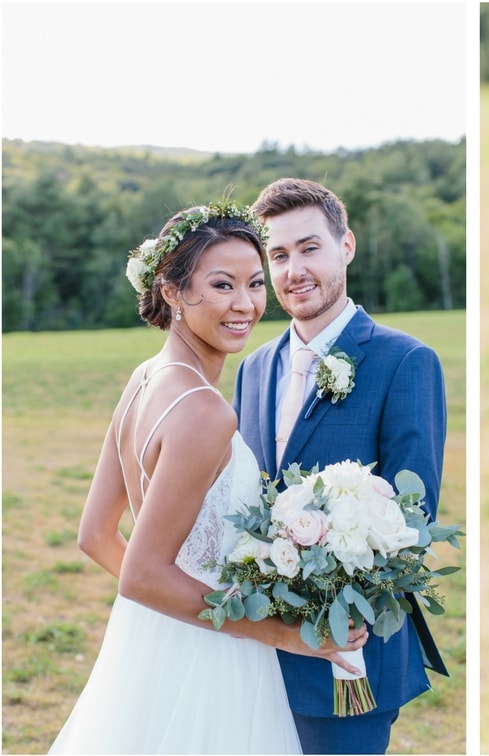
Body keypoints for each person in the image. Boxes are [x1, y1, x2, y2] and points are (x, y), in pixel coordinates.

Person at [49, 201, 368, 754]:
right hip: (216, 658)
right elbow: (144, 575)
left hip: (153, 644)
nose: (245, 304)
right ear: (172, 292)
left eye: (253, 282)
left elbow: (97, 536)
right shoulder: (203, 411)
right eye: (222, 285)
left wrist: (169, 616)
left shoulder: (146, 378)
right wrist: (281, 635)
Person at [233, 178, 448, 755]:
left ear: (346, 246)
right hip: (256, 651)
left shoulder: (405, 361)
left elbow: (414, 517)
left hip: (347, 652)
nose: (293, 270)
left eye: (309, 248)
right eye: (277, 256)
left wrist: (333, 604)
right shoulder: (253, 369)